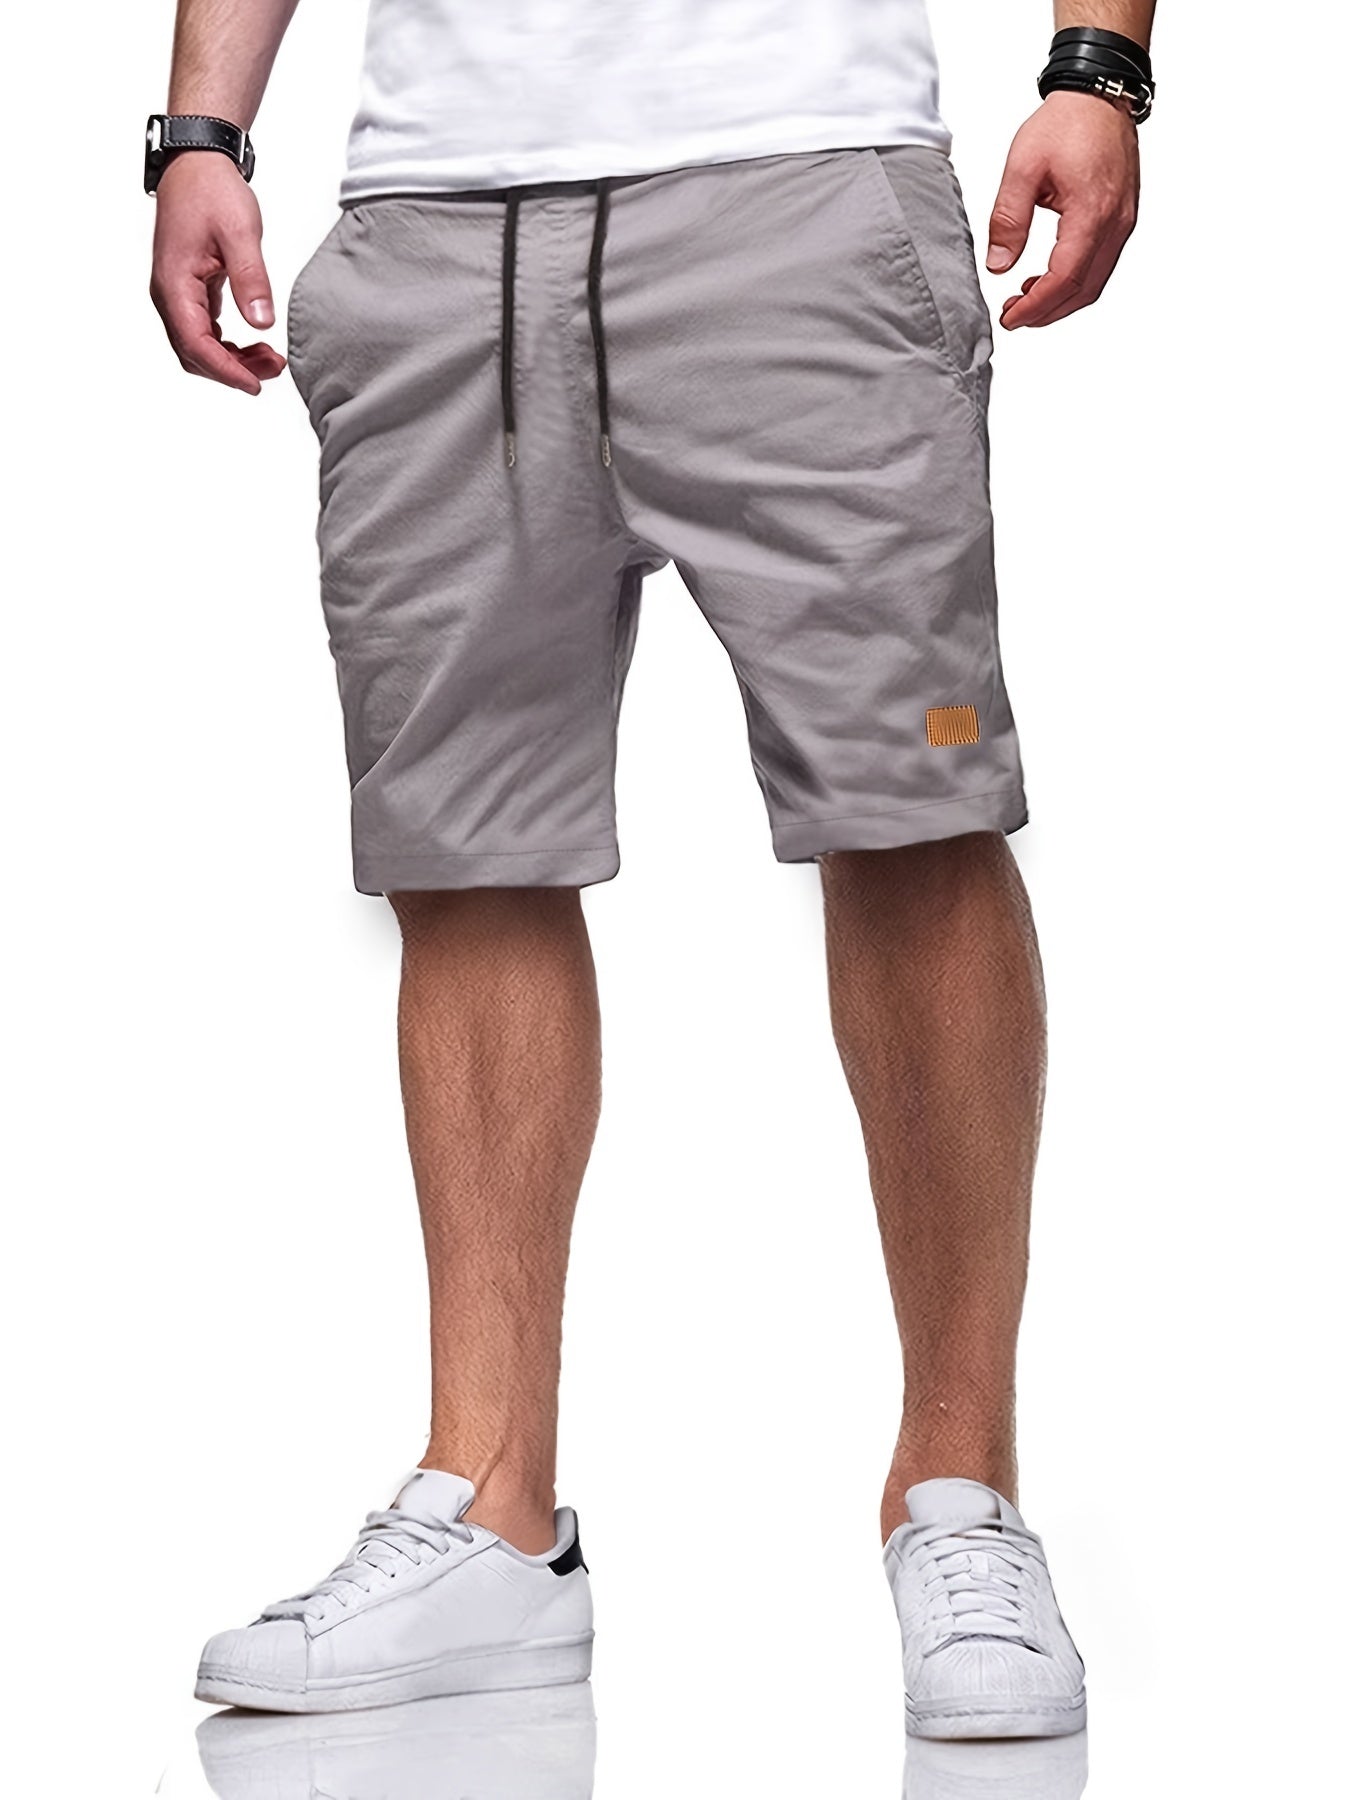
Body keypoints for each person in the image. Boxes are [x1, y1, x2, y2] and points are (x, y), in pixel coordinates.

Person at [149, 0, 1154, 1738]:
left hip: (802, 190)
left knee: (911, 809)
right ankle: (490, 1513)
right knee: (463, 851)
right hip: (436, 224)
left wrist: (1097, 69)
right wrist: (198, 132)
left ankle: (960, 1497)